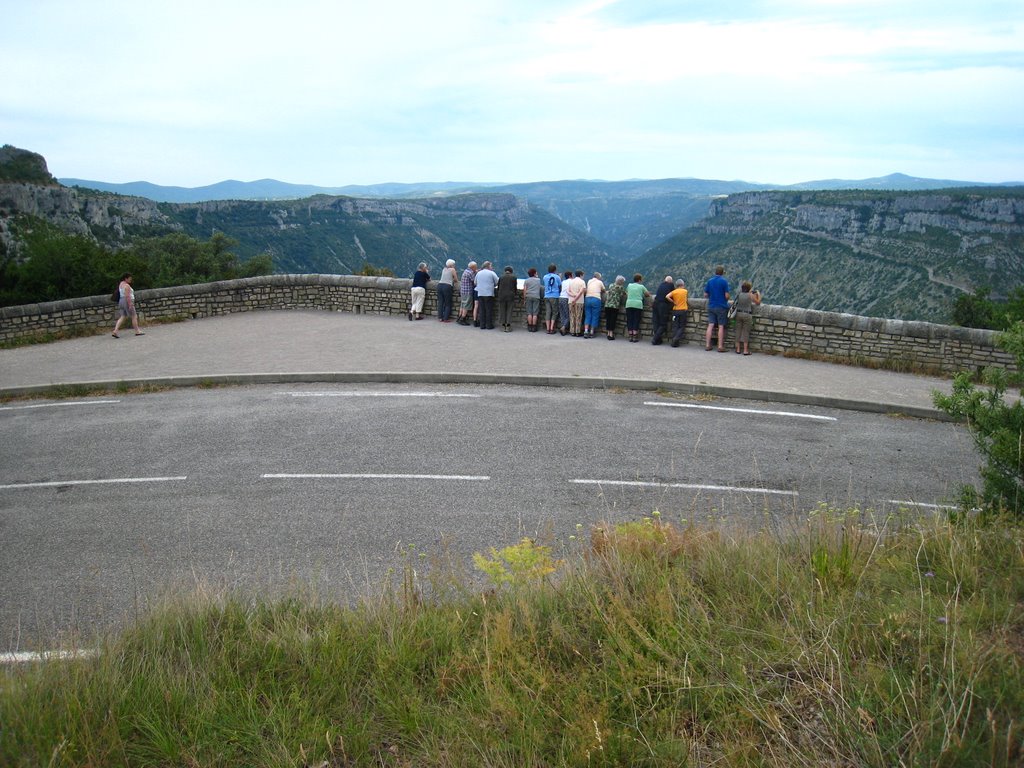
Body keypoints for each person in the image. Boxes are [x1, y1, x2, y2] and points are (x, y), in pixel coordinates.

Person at [704, 265, 731, 352]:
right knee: (721, 326)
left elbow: (705, 295)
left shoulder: (710, 281)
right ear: (722, 272)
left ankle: (708, 345)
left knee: (710, 325)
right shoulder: (724, 281)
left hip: (711, 305)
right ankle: (720, 346)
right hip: (721, 306)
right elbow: (726, 296)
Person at [733, 281, 762, 355]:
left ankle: (738, 349)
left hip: (738, 314)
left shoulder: (739, 294)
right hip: (747, 314)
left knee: (738, 331)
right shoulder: (750, 295)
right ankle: (745, 350)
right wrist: (758, 294)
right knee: (746, 331)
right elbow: (758, 302)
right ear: (749, 288)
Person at [111, 272, 144, 338]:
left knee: (123, 316)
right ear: (126, 278)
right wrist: (130, 305)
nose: (130, 280)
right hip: (127, 301)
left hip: (121, 301)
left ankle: (115, 331)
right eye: (129, 278)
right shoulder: (127, 286)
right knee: (134, 316)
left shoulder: (121, 284)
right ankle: (137, 331)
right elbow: (127, 296)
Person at [624, 273, 651, 343]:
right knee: (636, 320)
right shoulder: (641, 287)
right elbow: (647, 294)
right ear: (639, 280)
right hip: (638, 305)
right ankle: (634, 336)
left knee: (629, 320)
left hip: (629, 304)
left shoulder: (629, 285)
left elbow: (626, 292)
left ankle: (630, 335)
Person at [474, 261, 499, 330]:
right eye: (491, 266)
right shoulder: (492, 273)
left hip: (480, 293)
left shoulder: (478, 273)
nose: (492, 267)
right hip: (489, 293)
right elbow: (497, 282)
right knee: (488, 310)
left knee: (481, 310)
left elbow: (475, 282)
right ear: (488, 266)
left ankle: (482, 325)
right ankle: (489, 325)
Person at [651, 275, 674, 345]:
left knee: (656, 322)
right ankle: (655, 339)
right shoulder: (671, 285)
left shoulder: (661, 285)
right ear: (671, 281)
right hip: (663, 306)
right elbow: (673, 295)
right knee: (663, 324)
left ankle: (658, 340)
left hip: (655, 304)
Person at [666, 279, 689, 347]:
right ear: (682, 284)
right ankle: (676, 339)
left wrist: (673, 302)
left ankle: (675, 342)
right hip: (683, 310)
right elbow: (686, 300)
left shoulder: (674, 292)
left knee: (675, 326)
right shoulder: (685, 291)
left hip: (675, 310)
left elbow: (667, 296)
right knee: (681, 326)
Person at [603, 275, 626, 340]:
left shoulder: (611, 285)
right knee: (613, 320)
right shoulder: (620, 287)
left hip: (607, 305)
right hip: (614, 305)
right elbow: (622, 295)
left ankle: (608, 333)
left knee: (608, 319)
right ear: (621, 282)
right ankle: (611, 334)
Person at [496, 265, 518, 332]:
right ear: (511, 271)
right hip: (510, 296)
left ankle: (502, 325)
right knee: (509, 311)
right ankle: (508, 326)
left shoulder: (501, 277)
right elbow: (515, 288)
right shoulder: (514, 277)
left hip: (501, 296)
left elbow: (498, 287)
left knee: (502, 310)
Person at [583, 271, 605, 338]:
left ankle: (586, 331)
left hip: (587, 298)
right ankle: (592, 332)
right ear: (598, 277)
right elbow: (603, 290)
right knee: (595, 315)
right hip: (596, 299)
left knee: (588, 315)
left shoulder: (589, 281)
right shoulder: (600, 282)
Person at [542, 264, 562, 335]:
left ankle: (547, 328)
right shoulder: (557, 277)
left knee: (548, 312)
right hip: (554, 296)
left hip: (546, 296)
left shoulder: (545, 277)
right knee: (554, 312)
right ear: (555, 270)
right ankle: (551, 328)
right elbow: (559, 286)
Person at [567, 269, 587, 337]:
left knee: (572, 316)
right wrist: (576, 299)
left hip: (570, 301)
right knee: (578, 316)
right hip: (579, 301)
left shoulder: (571, 281)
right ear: (581, 275)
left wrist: (573, 296)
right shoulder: (582, 282)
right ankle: (577, 332)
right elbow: (581, 292)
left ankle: (572, 331)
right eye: (583, 275)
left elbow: (568, 291)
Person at [522, 267, 543, 332]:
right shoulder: (538, 280)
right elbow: (540, 288)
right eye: (536, 272)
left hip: (528, 296)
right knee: (535, 313)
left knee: (529, 313)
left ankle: (529, 326)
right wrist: (537, 276)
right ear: (534, 273)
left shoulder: (526, 280)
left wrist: (524, 298)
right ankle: (534, 327)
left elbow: (525, 290)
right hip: (536, 297)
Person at [457, 261, 477, 325]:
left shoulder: (466, 271)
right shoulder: (470, 273)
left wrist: (475, 271)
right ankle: (463, 319)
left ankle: (459, 317)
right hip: (468, 291)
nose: (476, 268)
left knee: (462, 305)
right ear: (473, 267)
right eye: (475, 267)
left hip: (463, 291)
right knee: (466, 306)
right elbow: (474, 281)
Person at [558, 270, 572, 336]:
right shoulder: (571, 281)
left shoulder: (563, 282)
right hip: (566, 298)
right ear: (570, 276)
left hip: (560, 298)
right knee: (568, 315)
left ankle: (563, 328)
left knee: (562, 314)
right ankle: (563, 328)